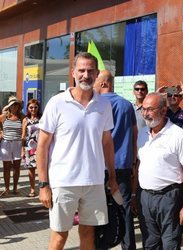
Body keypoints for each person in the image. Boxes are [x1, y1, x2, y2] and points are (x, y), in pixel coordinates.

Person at [37, 52, 119, 250]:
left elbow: (107, 143)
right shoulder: (57, 103)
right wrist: (43, 184)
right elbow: (42, 146)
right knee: (59, 237)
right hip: (63, 182)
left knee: (88, 234)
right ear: (73, 72)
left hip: (94, 182)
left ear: (97, 74)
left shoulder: (104, 104)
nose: (86, 75)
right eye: (81, 70)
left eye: (90, 70)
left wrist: (113, 177)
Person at [132, 92, 183, 249]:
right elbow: (139, 165)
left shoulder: (178, 136)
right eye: (143, 109)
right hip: (145, 197)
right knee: (150, 243)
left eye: (150, 109)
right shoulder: (143, 135)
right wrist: (134, 193)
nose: (145, 114)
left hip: (169, 198)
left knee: (170, 244)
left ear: (163, 110)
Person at [94, 70, 137, 250]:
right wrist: (133, 161)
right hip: (122, 166)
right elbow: (134, 135)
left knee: (97, 211)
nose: (93, 86)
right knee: (124, 209)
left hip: (99, 168)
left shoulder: (95, 105)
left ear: (104, 84)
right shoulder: (127, 105)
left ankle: (100, 245)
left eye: (96, 82)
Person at [0, 96, 23, 196]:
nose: (14, 107)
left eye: (16, 105)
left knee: (17, 167)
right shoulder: (3, 117)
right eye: (12, 105)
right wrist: (1, 132)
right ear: (9, 106)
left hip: (17, 143)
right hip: (6, 143)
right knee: (6, 167)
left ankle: (15, 188)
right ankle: (6, 188)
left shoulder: (22, 117)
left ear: (18, 106)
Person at [21, 99, 42, 197]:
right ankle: (32, 189)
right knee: (31, 170)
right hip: (29, 148)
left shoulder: (42, 118)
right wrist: (22, 151)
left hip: (40, 147)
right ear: (28, 108)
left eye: (35, 107)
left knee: (41, 169)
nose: (33, 109)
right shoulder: (25, 119)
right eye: (31, 107)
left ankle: (43, 189)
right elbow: (23, 136)